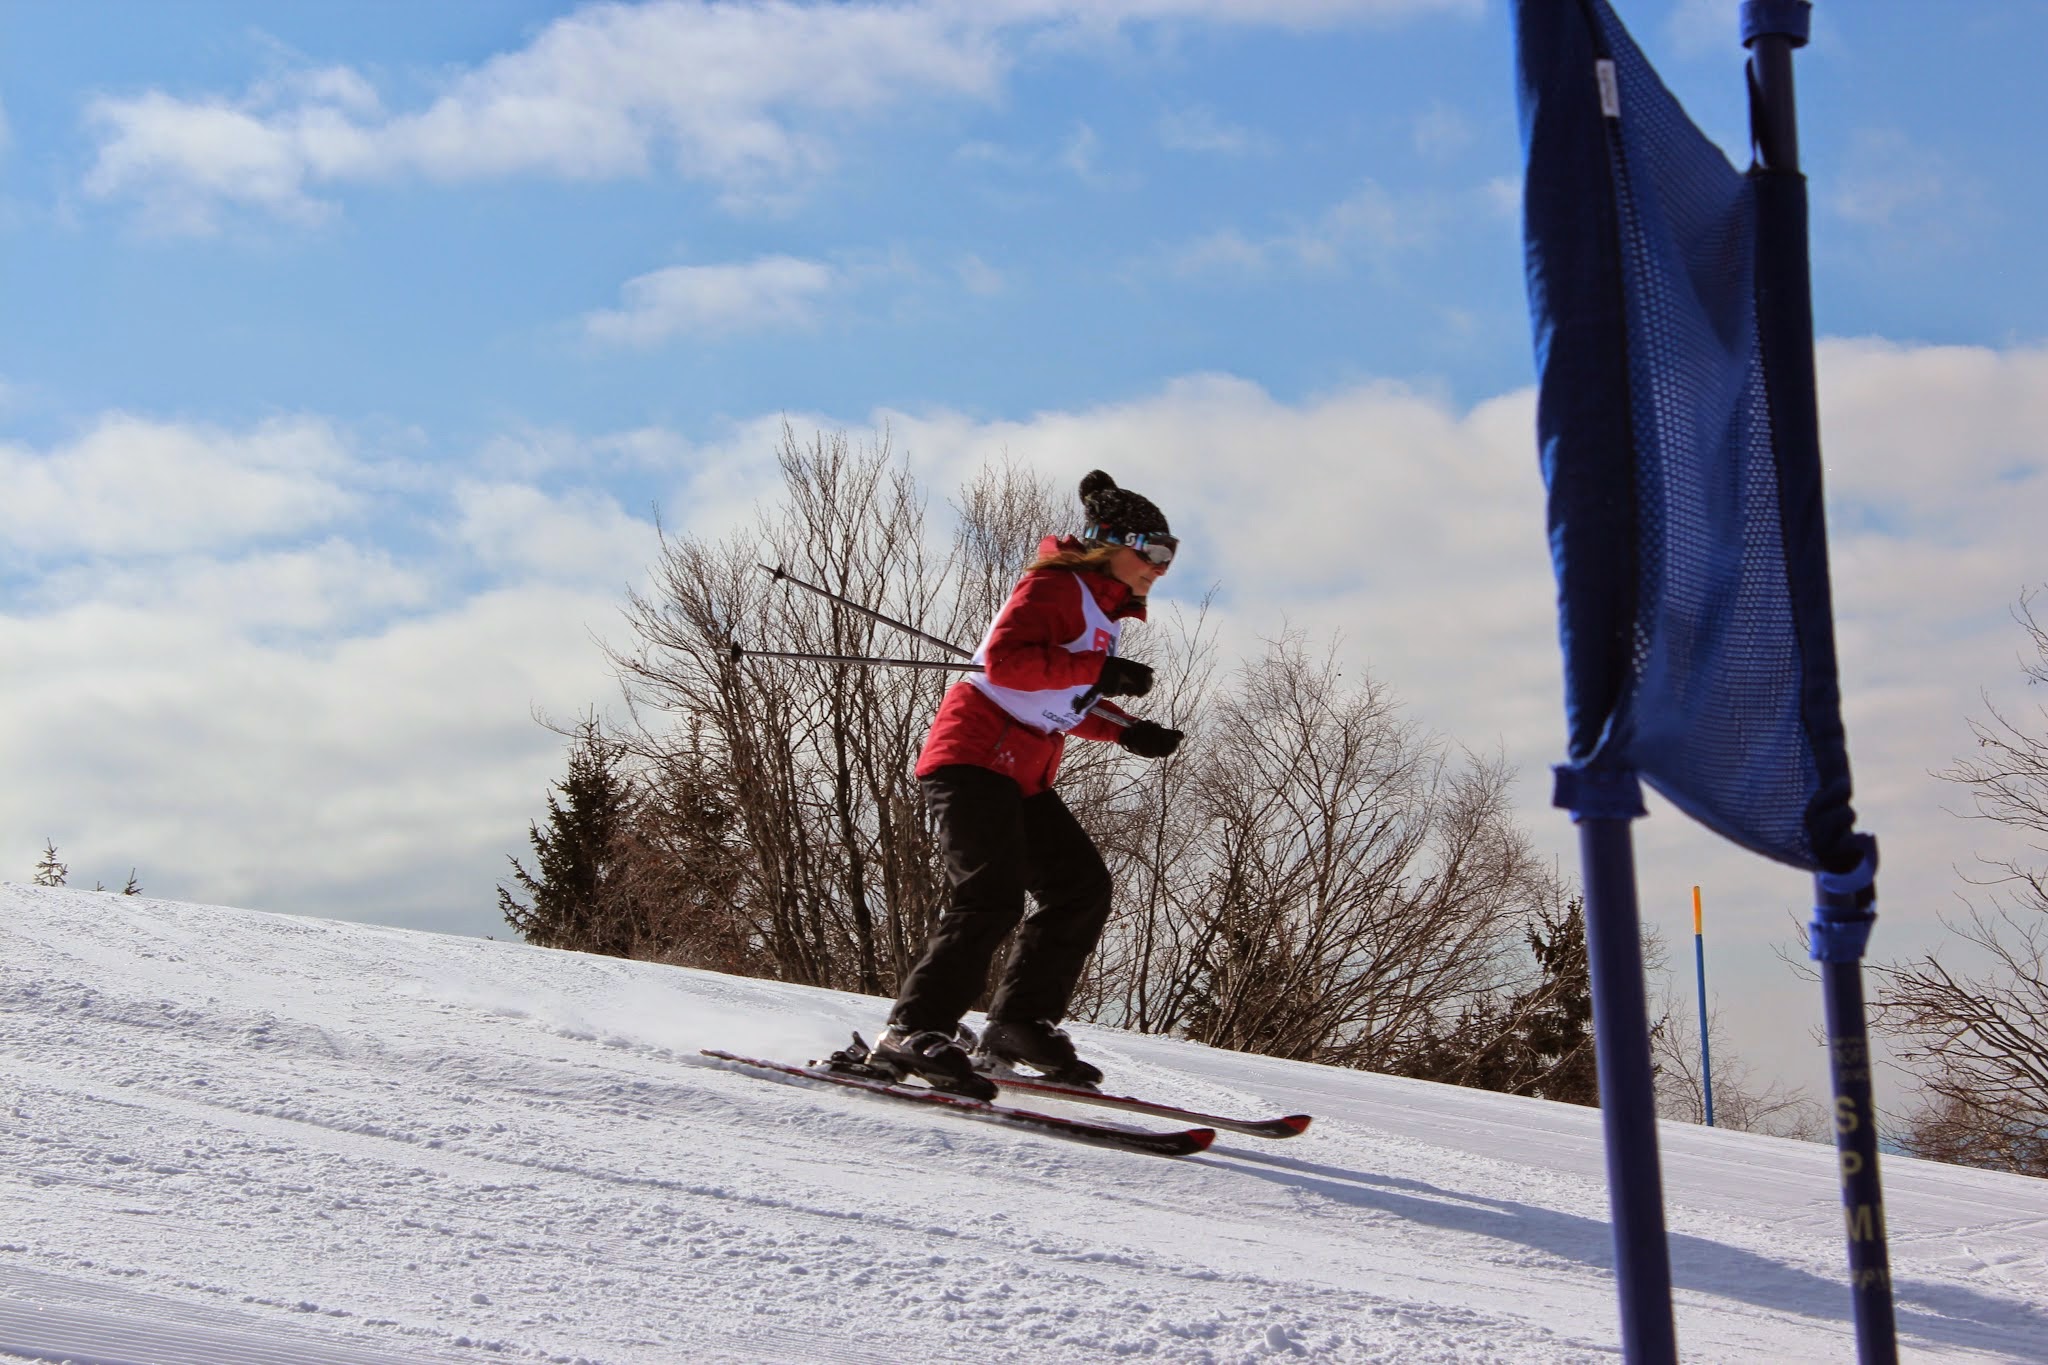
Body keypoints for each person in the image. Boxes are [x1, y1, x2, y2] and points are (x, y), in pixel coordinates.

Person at [873, 470, 1185, 1097]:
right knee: (991, 894)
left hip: (1022, 769)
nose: (1161, 566)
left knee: (1080, 887)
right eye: (1153, 550)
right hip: (973, 754)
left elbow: (1060, 697)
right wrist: (1099, 670)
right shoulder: (1055, 586)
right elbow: (1006, 664)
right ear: (1112, 543)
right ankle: (913, 1028)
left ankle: (1017, 1023)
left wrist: (1125, 731)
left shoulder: (1102, 611)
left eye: (1170, 554)